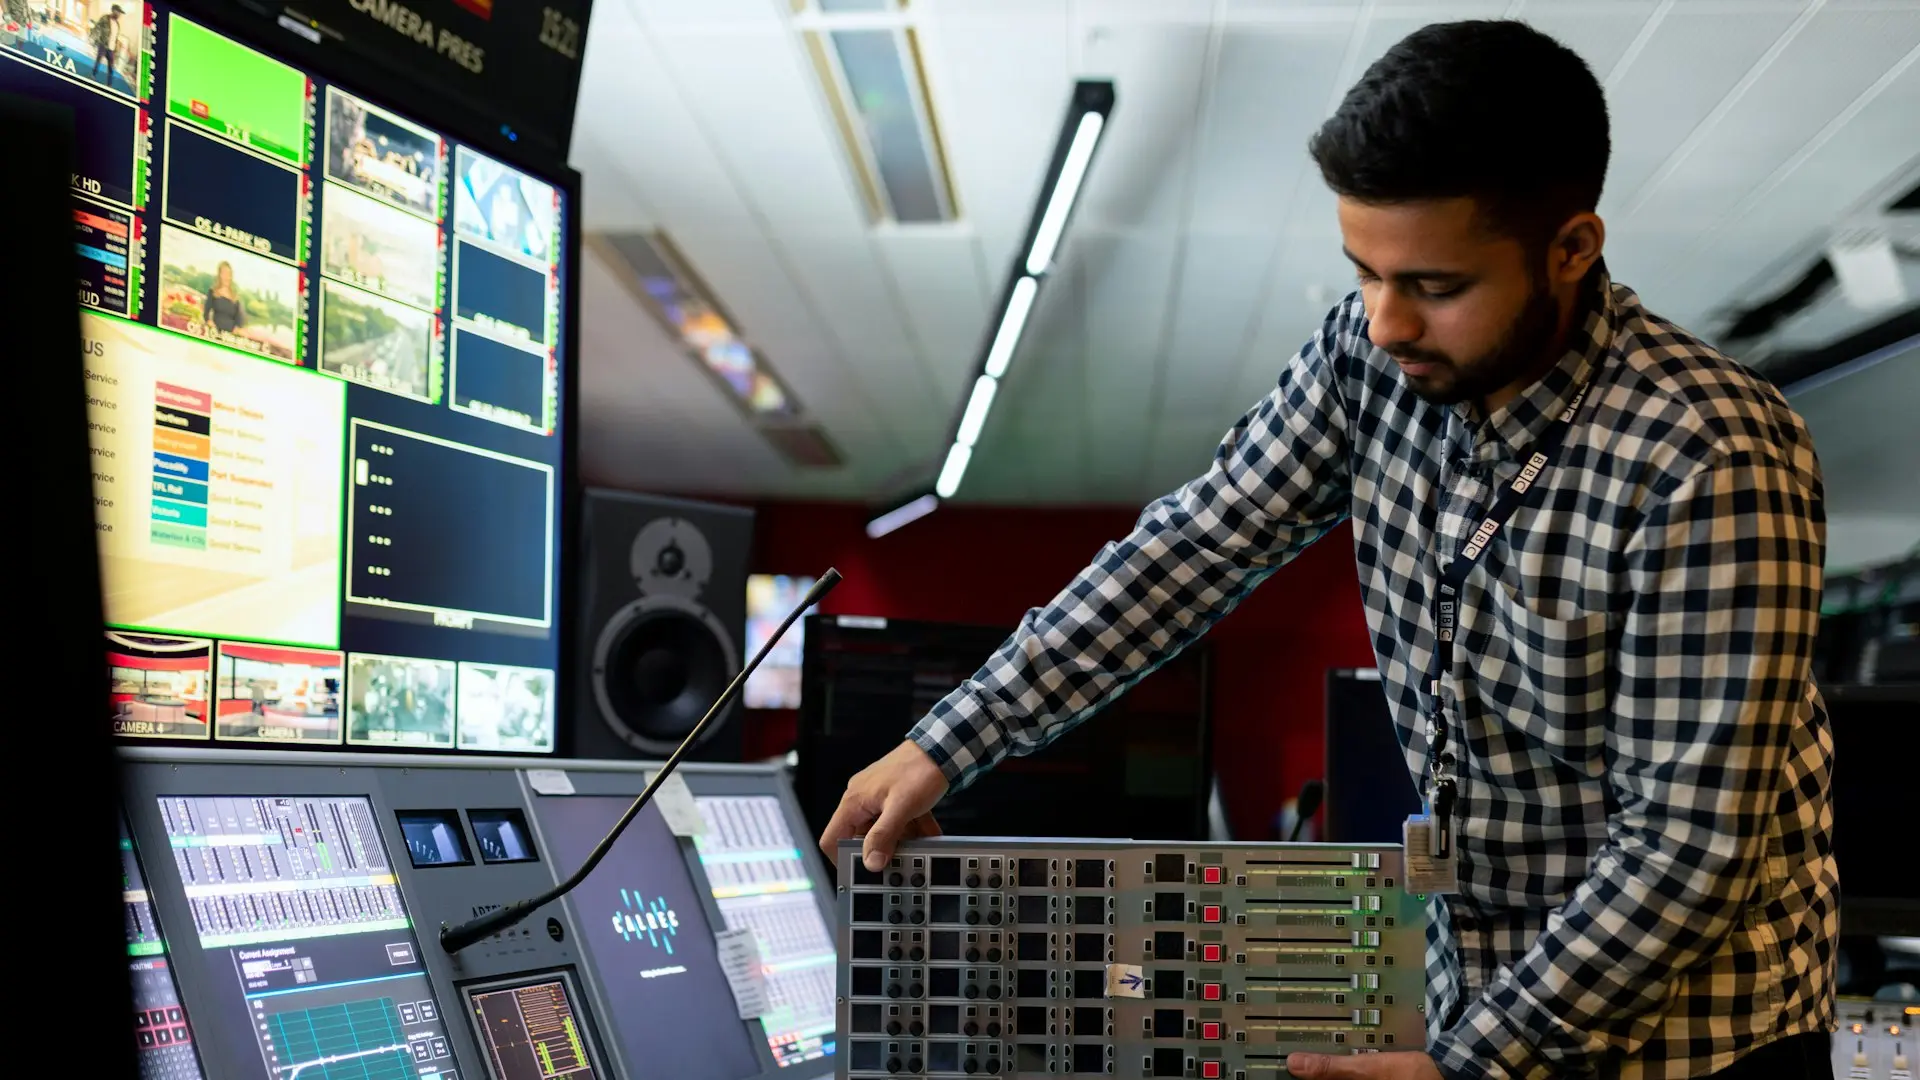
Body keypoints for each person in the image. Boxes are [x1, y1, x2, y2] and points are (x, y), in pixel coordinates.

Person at [818, 19, 1835, 1080]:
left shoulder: (1710, 455)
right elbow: (1195, 546)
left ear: (1572, 249)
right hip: (1479, 997)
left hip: (1692, 1042)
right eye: (1364, 273)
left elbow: (1686, 846)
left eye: (1434, 286)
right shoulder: (1368, 358)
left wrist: (1470, 1063)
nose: (1386, 321)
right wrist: (949, 743)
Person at [201, 260, 246, 336]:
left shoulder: (235, 297)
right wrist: (209, 322)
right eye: (224, 273)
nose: (226, 276)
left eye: (228, 274)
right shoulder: (213, 292)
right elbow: (206, 312)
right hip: (215, 331)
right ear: (220, 275)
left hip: (230, 334)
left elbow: (239, 319)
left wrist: (237, 329)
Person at [88, 3, 120, 86]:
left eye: (120, 13)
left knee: (111, 68)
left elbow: (115, 37)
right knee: (98, 61)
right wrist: (94, 38)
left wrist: (115, 49)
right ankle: (93, 75)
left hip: (111, 49)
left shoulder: (117, 24)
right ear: (113, 11)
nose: (119, 14)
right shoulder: (105, 18)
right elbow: (97, 27)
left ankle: (109, 84)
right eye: (118, 12)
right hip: (103, 45)